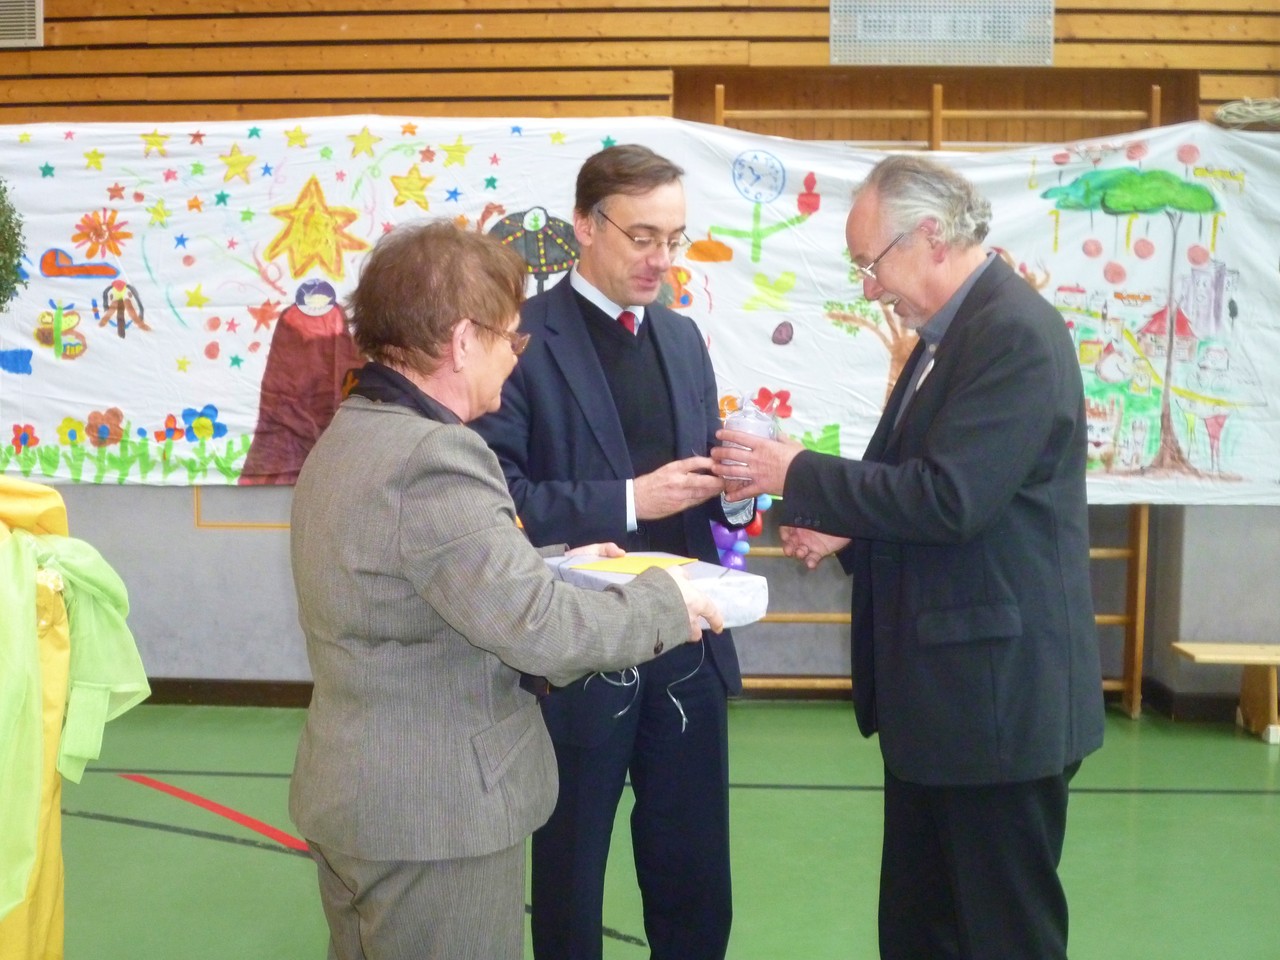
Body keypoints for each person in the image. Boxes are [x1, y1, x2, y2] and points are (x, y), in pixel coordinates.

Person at [287, 219, 724, 960]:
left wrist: (552, 564)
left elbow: (426, 579)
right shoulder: (435, 456)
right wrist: (663, 603)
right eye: (510, 338)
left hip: (368, 793)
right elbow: (539, 631)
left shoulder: (359, 428)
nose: (516, 356)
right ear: (463, 342)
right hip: (435, 813)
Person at [710, 154, 1105, 960]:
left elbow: (952, 498)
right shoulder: (949, 335)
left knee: (1000, 936)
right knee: (923, 932)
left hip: (995, 706)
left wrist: (796, 473)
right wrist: (850, 529)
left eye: (871, 263)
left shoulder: (1013, 334)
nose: (869, 287)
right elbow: (936, 492)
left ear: (930, 236)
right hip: (946, 704)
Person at [473, 144, 750, 960]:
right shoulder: (519, 339)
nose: (661, 258)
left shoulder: (683, 338)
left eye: (675, 239)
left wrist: (738, 491)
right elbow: (499, 500)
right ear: (585, 227)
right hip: (576, 650)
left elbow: (697, 486)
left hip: (688, 642)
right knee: (569, 876)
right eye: (643, 236)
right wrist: (630, 499)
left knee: (695, 873)